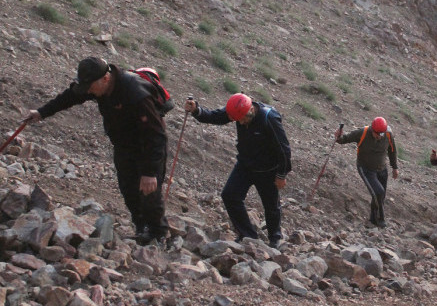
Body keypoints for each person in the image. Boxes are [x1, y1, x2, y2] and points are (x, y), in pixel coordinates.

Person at [24, 57, 169, 244]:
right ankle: (142, 228)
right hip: (124, 145)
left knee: (149, 191)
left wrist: (150, 172)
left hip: (147, 146)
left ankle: (158, 235)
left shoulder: (135, 93)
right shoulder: (95, 85)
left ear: (105, 79)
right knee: (128, 188)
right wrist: (42, 112)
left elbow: (156, 135)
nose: (88, 92)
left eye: (90, 87)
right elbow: (70, 97)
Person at [184, 93, 291, 248]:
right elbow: (216, 117)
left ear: (251, 111)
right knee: (229, 195)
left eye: (242, 119)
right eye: (237, 120)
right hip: (245, 165)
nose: (240, 122)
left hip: (267, 170)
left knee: (271, 205)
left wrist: (281, 174)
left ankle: (275, 239)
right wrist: (196, 111)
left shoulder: (269, 118)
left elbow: (284, 149)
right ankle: (248, 236)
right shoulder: (237, 110)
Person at [335, 117, 398, 228]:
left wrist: (395, 167)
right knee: (378, 192)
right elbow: (343, 140)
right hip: (366, 169)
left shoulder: (388, 134)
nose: (379, 136)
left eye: (381, 134)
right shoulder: (362, 132)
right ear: (372, 129)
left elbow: (392, 150)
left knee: (380, 196)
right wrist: (338, 136)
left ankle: (373, 220)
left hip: (382, 169)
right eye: (377, 134)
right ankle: (380, 220)